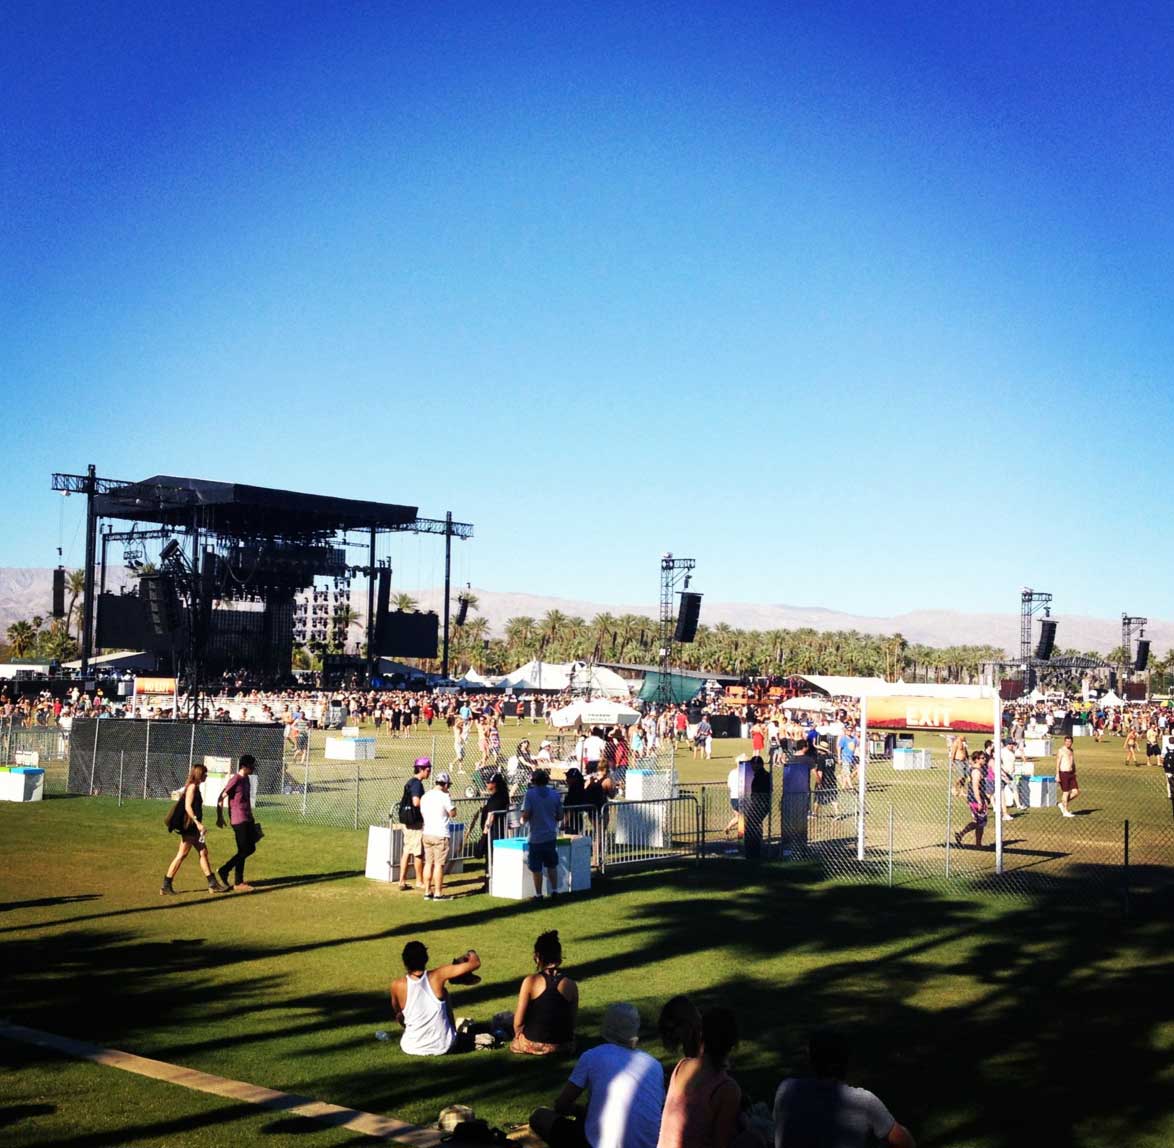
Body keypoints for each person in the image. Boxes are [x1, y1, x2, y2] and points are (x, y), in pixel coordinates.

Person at [531, 1002, 665, 1148]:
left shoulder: (593, 1056)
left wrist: (579, 1111)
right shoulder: (654, 1065)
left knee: (540, 1117)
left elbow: (562, 1104)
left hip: (597, 1144)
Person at [773, 1028, 916, 1147]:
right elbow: (905, 1143)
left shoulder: (786, 1089)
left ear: (811, 1060)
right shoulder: (864, 1102)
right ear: (846, 1060)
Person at [657, 1007, 742, 1148]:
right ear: (731, 1045)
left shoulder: (681, 1067)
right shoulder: (727, 1089)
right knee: (755, 1136)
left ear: (702, 1036)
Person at [390, 940, 481, 1056]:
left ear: (404, 961)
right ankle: (452, 1034)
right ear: (426, 958)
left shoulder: (396, 985)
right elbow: (475, 963)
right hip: (444, 1046)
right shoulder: (438, 975)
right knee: (443, 993)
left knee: (401, 1014)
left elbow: (399, 1014)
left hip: (412, 1047)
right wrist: (470, 953)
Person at [161, 764, 226, 895]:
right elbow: (187, 807)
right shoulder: (191, 787)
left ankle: (212, 884)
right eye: (204, 774)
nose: (206, 776)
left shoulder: (195, 787)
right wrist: (198, 823)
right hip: (190, 827)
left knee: (203, 852)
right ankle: (166, 885)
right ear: (199, 775)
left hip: (194, 828)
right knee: (182, 854)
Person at [511, 929, 579, 1055]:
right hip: (562, 1045)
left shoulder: (530, 981)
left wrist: (518, 1036)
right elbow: (572, 1022)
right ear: (559, 957)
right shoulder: (571, 985)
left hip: (531, 1044)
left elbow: (518, 1022)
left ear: (537, 957)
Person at [215, 755, 260, 891]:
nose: (253, 768)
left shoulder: (247, 779)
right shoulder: (235, 780)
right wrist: (220, 817)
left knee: (246, 849)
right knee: (247, 849)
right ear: (244, 766)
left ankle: (238, 882)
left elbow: (245, 800)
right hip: (238, 819)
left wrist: (252, 818)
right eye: (251, 766)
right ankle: (225, 870)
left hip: (247, 818)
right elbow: (220, 797)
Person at [522, 768, 564, 899]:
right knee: (552, 864)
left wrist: (522, 818)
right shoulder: (555, 794)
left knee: (536, 867)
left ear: (534, 781)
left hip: (536, 836)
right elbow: (560, 815)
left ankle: (538, 893)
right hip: (551, 834)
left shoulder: (530, 794)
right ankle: (555, 890)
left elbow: (527, 813)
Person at [398, 757, 431, 891]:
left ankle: (402, 880)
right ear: (421, 769)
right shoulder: (417, 784)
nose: (429, 772)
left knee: (407, 851)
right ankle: (419, 880)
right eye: (428, 770)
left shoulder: (410, 782)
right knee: (418, 853)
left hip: (407, 821)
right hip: (415, 823)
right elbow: (416, 802)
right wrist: (428, 800)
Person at [421, 770, 455, 900]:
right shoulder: (444, 797)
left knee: (428, 863)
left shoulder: (426, 796)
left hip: (427, 832)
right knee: (439, 864)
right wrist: (449, 799)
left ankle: (427, 890)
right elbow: (452, 813)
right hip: (440, 833)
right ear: (445, 784)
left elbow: (423, 812)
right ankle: (438, 893)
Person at [477, 772, 512, 890]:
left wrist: (484, 834)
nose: (487, 784)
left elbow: (490, 817)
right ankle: (489, 883)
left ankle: (490, 884)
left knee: (491, 858)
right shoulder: (501, 796)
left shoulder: (497, 798)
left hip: (494, 832)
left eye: (489, 782)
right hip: (498, 831)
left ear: (495, 784)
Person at [954, 751, 989, 848]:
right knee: (980, 821)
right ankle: (963, 835)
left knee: (980, 822)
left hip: (980, 798)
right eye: (982, 758)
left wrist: (985, 798)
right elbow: (975, 787)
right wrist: (979, 801)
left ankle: (976, 842)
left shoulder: (979, 769)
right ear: (977, 759)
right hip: (975, 799)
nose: (984, 759)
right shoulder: (976, 772)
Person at [1056, 735, 1079, 817]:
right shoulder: (1061, 750)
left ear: (1072, 742)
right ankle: (1065, 811)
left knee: (1076, 792)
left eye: (1069, 742)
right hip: (1063, 773)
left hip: (1071, 773)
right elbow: (1058, 762)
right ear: (1064, 742)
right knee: (1065, 792)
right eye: (1066, 741)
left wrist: (1074, 770)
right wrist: (1057, 774)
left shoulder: (1071, 750)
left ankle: (1062, 804)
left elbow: (1072, 761)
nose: (1068, 743)